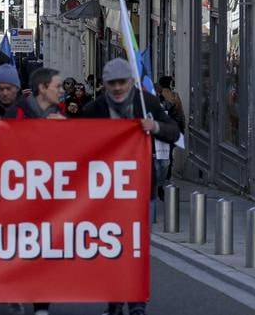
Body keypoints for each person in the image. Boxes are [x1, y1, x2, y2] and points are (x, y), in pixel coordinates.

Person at [76, 58, 180, 315]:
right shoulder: (93, 109)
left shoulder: (148, 103)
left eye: (122, 82)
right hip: (105, 191)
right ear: (105, 85)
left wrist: (153, 126)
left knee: (137, 248)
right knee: (111, 248)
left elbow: (175, 132)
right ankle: (114, 303)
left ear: (132, 82)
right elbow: (74, 143)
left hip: (141, 189)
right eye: (112, 83)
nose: (118, 88)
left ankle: (136, 303)